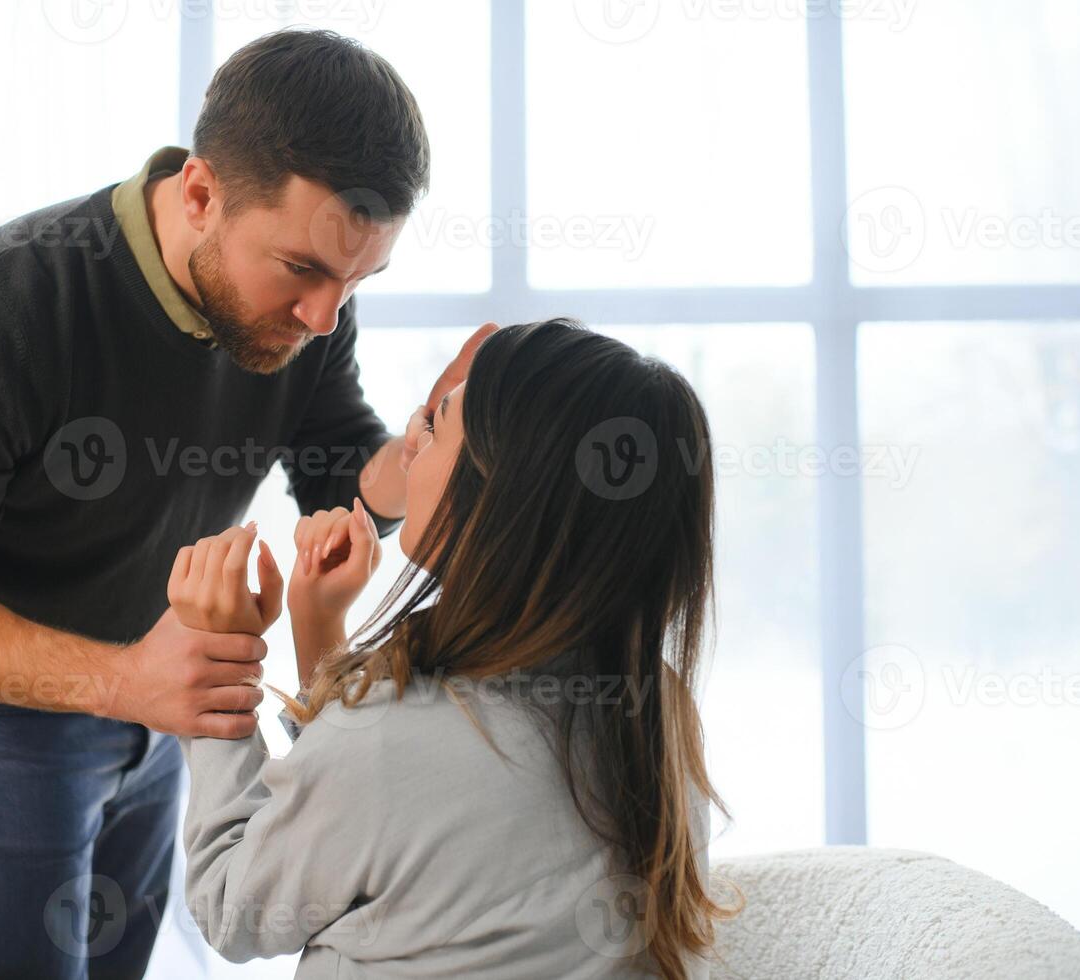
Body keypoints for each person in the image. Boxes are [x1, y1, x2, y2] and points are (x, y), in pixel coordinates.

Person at [0, 27, 486, 978]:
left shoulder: (313, 302)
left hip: (169, 687)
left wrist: (417, 450)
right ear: (198, 193)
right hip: (9, 713)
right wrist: (123, 683)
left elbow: (335, 468)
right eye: (303, 271)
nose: (325, 318)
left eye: (357, 281)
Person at [171, 319, 732, 979]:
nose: (409, 441)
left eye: (435, 426)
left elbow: (234, 909)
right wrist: (317, 620)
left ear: (497, 494)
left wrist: (218, 663)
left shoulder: (395, 744)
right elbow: (382, 816)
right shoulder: (653, 708)